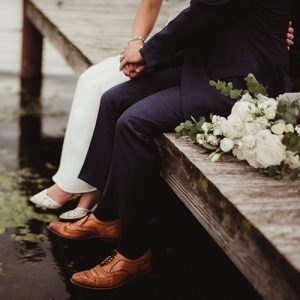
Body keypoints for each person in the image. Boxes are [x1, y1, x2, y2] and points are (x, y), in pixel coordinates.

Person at [47, 0, 299, 290]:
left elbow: (206, 10)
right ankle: (108, 215)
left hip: (242, 78)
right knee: (114, 99)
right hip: (207, 62)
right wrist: (149, 55)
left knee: (134, 124)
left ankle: (133, 253)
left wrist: (147, 53)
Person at [30, 0, 190, 220]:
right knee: (90, 79)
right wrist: (137, 44)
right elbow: (150, 4)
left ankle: (83, 187)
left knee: (107, 87)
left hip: (186, 52)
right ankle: (76, 182)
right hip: (161, 46)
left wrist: (150, 55)